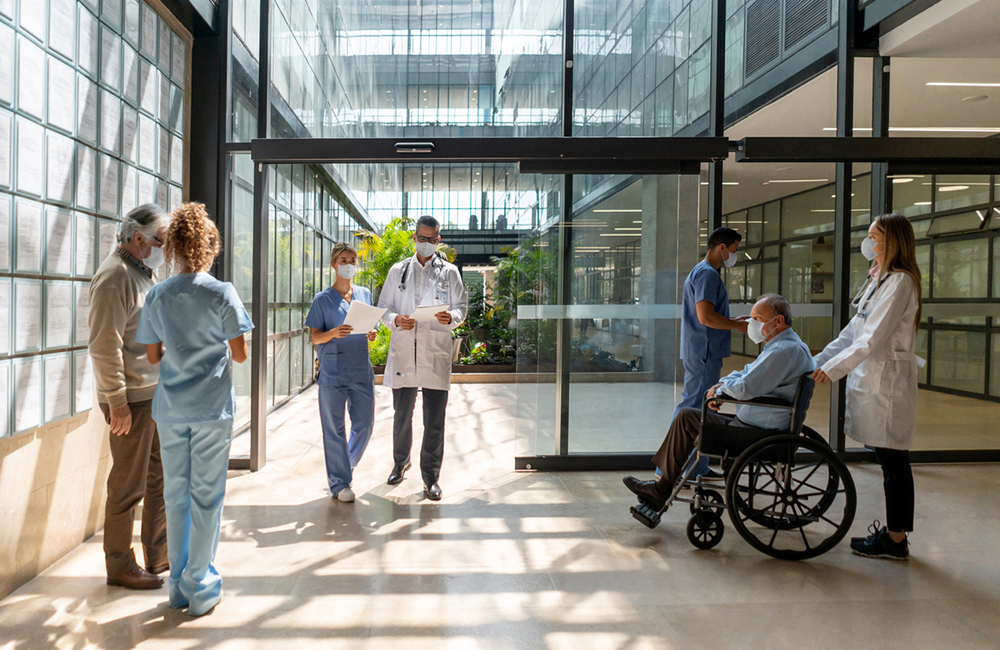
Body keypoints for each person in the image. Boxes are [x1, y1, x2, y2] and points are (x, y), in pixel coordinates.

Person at [136, 203, 254, 616]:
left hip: (170, 408)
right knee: (206, 497)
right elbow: (239, 356)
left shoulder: (157, 294)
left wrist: (179, 346)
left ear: (173, 247)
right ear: (209, 245)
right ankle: (200, 586)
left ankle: (177, 589)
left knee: (176, 495)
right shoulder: (222, 293)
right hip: (211, 408)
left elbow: (152, 356)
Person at [623, 294, 815, 510]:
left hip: (757, 433)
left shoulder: (784, 352)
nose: (751, 324)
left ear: (778, 321)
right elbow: (744, 373)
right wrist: (719, 387)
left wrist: (720, 392)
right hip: (756, 425)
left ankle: (661, 489)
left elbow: (745, 387)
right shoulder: (782, 346)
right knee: (687, 415)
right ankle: (662, 487)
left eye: (758, 318)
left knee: (687, 419)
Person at [812, 213, 922, 561]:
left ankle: (896, 539)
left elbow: (872, 339)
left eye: (873, 235)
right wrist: (815, 361)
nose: (867, 241)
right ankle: (895, 536)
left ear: (891, 242)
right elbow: (851, 333)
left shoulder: (900, 282)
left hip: (887, 384)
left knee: (894, 463)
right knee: (888, 459)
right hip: (874, 380)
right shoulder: (879, 279)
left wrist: (833, 370)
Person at [89, 204, 171, 590]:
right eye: (160, 241)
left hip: (151, 396)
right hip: (131, 402)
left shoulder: (141, 274)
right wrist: (117, 402)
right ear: (139, 239)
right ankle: (119, 564)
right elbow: (104, 346)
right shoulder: (114, 277)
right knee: (127, 486)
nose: (163, 249)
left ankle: (158, 555)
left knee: (158, 478)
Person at [377, 215, 468, 501]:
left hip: (434, 352)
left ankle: (431, 477)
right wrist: (396, 320)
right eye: (422, 238)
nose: (426, 243)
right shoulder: (398, 270)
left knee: (434, 419)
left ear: (437, 240)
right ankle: (400, 462)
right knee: (402, 415)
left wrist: (450, 316)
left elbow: (462, 307)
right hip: (405, 351)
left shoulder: (450, 272)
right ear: (414, 237)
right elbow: (383, 308)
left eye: (432, 239)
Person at [306, 242, 379, 503]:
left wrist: (371, 333)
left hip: (360, 369)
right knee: (334, 429)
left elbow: (369, 325)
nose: (349, 265)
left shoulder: (364, 294)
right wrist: (333, 333)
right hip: (333, 373)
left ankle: (344, 464)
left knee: (365, 425)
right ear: (334, 264)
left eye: (353, 260)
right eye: (344, 260)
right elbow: (314, 338)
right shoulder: (322, 299)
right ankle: (340, 483)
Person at [675, 227, 750, 478]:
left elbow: (709, 314)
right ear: (722, 248)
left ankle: (696, 468)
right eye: (734, 250)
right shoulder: (708, 275)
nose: (733, 255)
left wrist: (733, 319)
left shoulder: (702, 272)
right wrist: (736, 325)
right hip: (704, 352)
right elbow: (705, 316)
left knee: (697, 409)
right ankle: (681, 470)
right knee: (694, 410)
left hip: (700, 350)